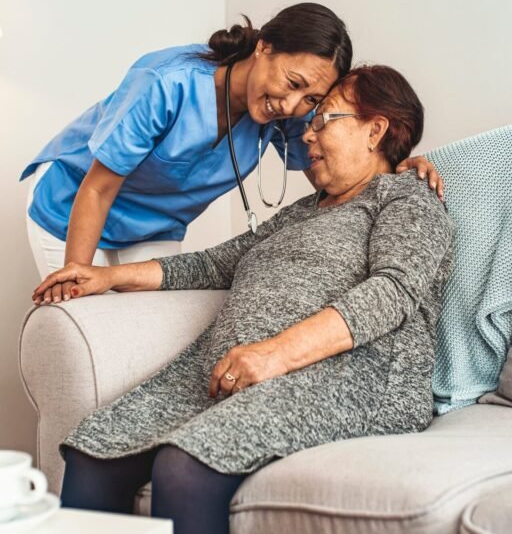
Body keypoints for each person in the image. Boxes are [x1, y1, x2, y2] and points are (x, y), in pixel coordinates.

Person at [32, 65, 454, 534]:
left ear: (375, 130)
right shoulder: (304, 210)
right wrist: (105, 277)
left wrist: (275, 354)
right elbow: (216, 264)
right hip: (242, 371)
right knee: (95, 450)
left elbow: (394, 290)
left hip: (351, 377)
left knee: (184, 467)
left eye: (324, 120)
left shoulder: (407, 197)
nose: (307, 136)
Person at [21, 3, 444, 304]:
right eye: (292, 82)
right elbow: (97, 189)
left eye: (311, 99)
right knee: (81, 321)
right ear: (264, 48)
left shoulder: (288, 117)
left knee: (144, 333)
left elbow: (333, 171)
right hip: (71, 205)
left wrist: (398, 165)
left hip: (154, 229)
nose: (293, 105)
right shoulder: (166, 82)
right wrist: (78, 277)